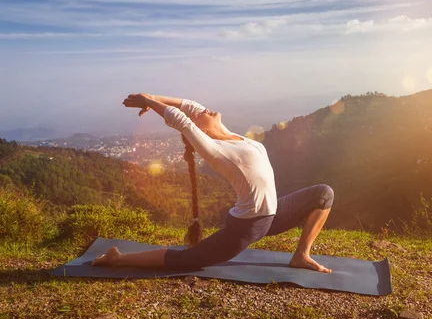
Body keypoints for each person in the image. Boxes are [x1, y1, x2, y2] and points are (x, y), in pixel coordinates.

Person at [92, 93, 334, 273]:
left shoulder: (232, 136)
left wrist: (152, 97)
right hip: (248, 225)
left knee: (323, 194)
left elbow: (188, 106)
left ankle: (301, 255)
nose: (203, 109)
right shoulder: (216, 150)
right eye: (200, 115)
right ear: (201, 132)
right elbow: (182, 120)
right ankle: (117, 258)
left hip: (272, 215)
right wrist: (151, 102)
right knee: (186, 260)